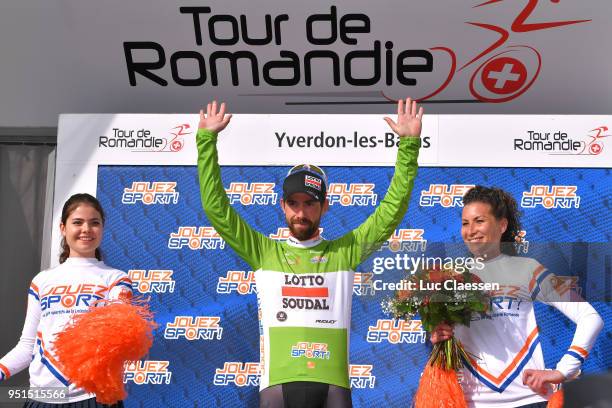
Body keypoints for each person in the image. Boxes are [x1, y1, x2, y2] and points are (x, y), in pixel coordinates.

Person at [197, 99, 423, 407]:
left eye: (310, 203)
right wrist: (206, 141)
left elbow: (391, 210)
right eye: (294, 203)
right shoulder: (263, 252)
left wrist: (409, 145)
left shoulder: (344, 252)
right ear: (282, 206)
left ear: (325, 206)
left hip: (333, 387)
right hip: (277, 385)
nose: (301, 212)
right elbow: (216, 208)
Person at [430, 186, 603, 408]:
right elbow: (442, 336)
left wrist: (564, 369)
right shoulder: (449, 276)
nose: (471, 230)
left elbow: (590, 317)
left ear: (502, 225)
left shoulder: (527, 270)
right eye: (465, 223)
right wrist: (436, 335)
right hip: (469, 402)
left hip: (527, 400)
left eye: (479, 221)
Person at [0, 193, 132, 408]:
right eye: (77, 222)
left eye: (94, 223)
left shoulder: (116, 279)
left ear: (102, 228)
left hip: (92, 397)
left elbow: (115, 337)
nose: (86, 229)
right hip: (43, 397)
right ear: (63, 228)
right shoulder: (42, 281)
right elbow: (27, 347)